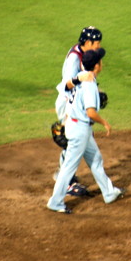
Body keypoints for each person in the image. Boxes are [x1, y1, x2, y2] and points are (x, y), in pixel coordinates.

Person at [47, 48, 124, 214]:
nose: (102, 63)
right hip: (79, 129)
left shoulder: (80, 77)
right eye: (100, 61)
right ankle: (55, 202)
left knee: (95, 159)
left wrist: (76, 79)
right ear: (97, 66)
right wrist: (104, 123)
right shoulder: (89, 85)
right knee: (68, 167)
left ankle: (109, 192)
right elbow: (90, 112)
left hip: (78, 127)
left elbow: (64, 87)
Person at [51, 26, 102, 196]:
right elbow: (67, 86)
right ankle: (65, 182)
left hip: (75, 103)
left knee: (79, 140)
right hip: (68, 103)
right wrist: (68, 115)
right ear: (87, 42)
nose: (98, 46)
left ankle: (66, 177)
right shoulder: (74, 58)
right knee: (73, 141)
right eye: (96, 43)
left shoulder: (85, 54)